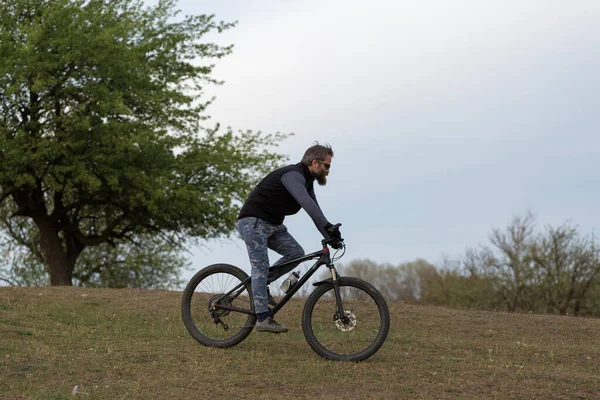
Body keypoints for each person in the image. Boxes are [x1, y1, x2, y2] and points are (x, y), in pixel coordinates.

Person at [236, 143, 342, 333]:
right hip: (254, 221)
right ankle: (262, 319)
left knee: (296, 253)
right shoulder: (294, 175)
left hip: (273, 224)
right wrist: (327, 228)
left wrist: (330, 235)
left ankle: (259, 283)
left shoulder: (307, 182)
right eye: (327, 166)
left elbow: (316, 212)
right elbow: (306, 204)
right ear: (315, 163)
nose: (328, 171)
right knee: (259, 266)